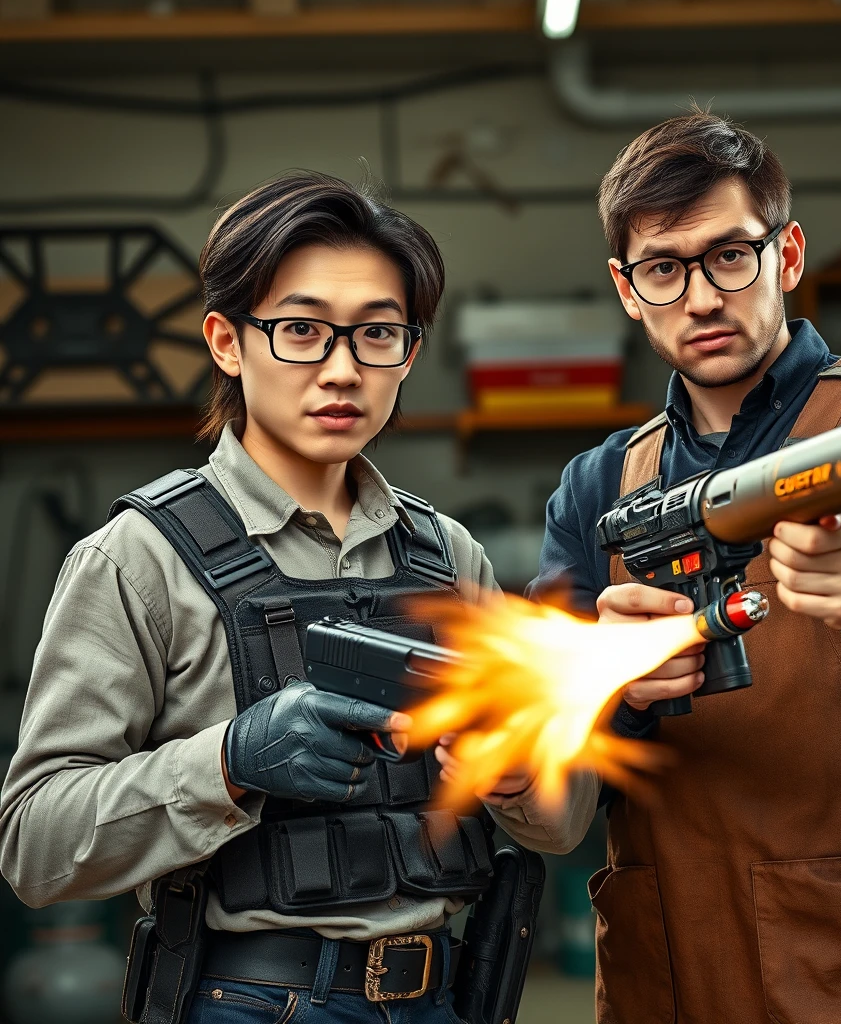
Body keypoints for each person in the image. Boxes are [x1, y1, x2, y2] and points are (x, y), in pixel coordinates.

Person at [473, 113, 841, 1023]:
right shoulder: (598, 486)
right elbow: (548, 774)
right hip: (663, 972)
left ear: (788, 253)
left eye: (731, 254)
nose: (700, 297)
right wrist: (607, 685)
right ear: (626, 289)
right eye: (664, 267)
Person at [0, 172, 499, 1024]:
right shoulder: (138, 559)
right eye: (302, 330)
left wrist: (520, 769)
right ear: (227, 341)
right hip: (251, 1000)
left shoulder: (450, 556)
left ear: (409, 353)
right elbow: (34, 845)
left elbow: (559, 830)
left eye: (378, 334)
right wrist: (228, 762)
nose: (342, 369)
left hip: (446, 997)